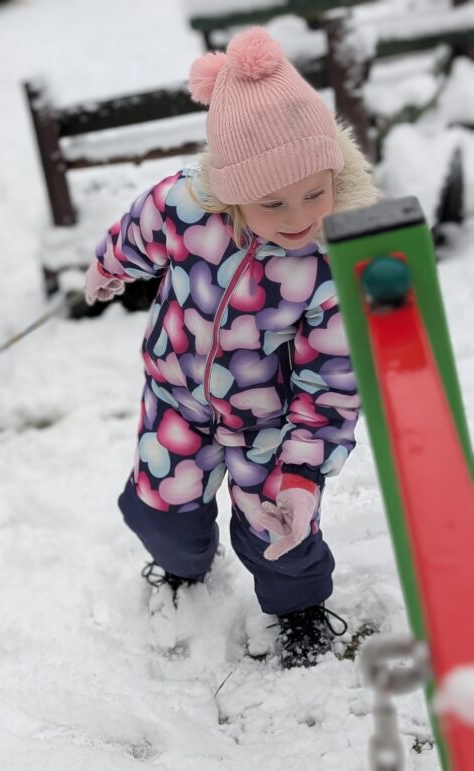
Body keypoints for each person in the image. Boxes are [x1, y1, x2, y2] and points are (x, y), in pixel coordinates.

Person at [83, 27, 377, 668]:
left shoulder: (329, 265)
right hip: (176, 399)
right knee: (160, 509)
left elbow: (332, 386)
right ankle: (182, 564)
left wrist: (302, 477)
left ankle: (298, 607)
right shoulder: (185, 207)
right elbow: (137, 231)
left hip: (266, 424)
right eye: (273, 202)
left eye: (315, 192)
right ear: (232, 190)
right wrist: (108, 267)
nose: (298, 216)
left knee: (280, 530)